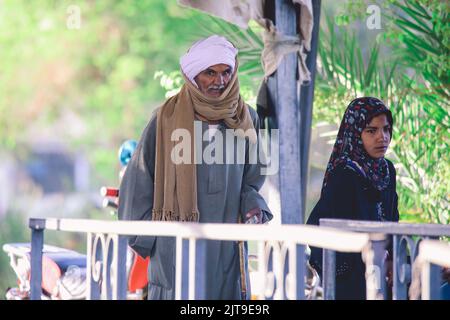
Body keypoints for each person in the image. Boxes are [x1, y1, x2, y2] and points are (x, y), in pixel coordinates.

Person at [118, 35, 272, 300]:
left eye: (226, 72)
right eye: (209, 73)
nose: (219, 81)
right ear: (192, 76)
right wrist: (156, 242)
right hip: (175, 251)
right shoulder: (164, 119)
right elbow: (137, 186)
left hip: (227, 247)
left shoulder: (246, 119)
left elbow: (252, 180)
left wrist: (253, 207)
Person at [307, 97, 399, 300]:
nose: (382, 137)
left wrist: (391, 257)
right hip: (349, 274)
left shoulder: (387, 170)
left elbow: (392, 220)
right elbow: (337, 229)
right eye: (371, 131)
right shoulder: (345, 173)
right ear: (355, 133)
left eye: (386, 129)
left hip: (382, 270)